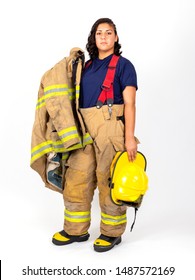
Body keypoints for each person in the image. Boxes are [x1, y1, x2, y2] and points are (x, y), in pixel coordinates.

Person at [52, 18, 139, 252]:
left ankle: (111, 233)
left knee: (108, 179)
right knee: (77, 178)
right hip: (83, 128)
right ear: (94, 38)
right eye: (99, 33)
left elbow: (130, 103)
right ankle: (75, 230)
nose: (103, 37)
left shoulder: (124, 66)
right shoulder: (86, 67)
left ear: (116, 38)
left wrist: (129, 137)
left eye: (108, 32)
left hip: (111, 128)